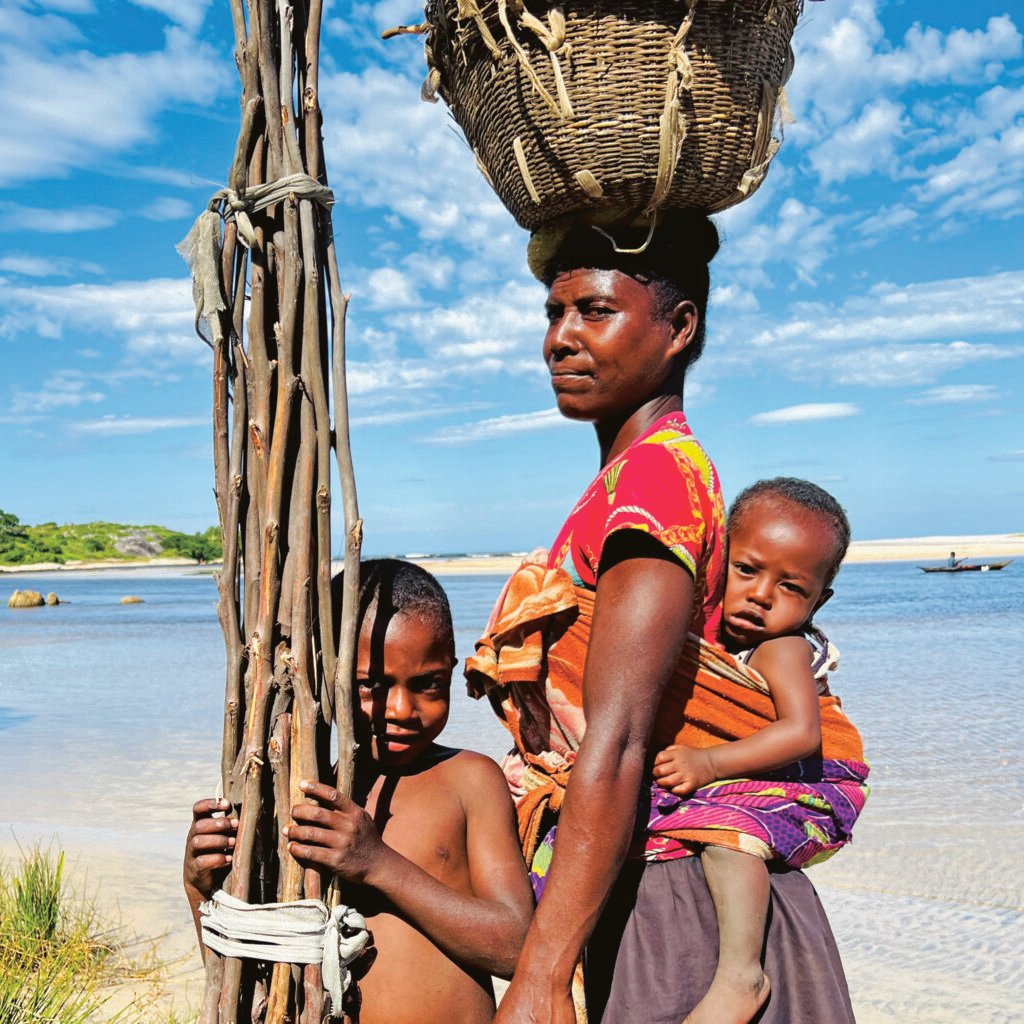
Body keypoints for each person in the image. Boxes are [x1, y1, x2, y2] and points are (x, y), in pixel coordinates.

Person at [466, 212, 858, 1024]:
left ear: (679, 327)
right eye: (554, 313)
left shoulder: (656, 484)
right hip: (652, 877)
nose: (561, 339)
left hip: (678, 903)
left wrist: (541, 976)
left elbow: (619, 740)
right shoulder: (628, 481)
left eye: (595, 311)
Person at [184, 559, 534, 1024]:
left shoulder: (470, 780)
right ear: (325, 676)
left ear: (451, 669)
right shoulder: (296, 797)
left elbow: (516, 946)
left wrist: (378, 864)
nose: (403, 710)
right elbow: (235, 964)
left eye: (429, 684)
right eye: (371, 685)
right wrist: (198, 885)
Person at [651, 477, 870, 1024]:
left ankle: (740, 976)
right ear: (717, 561)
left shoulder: (783, 647)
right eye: (746, 570)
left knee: (729, 834)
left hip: (811, 783)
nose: (762, 594)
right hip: (767, 771)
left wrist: (707, 763)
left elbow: (802, 734)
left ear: (820, 600)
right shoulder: (726, 644)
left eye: (792, 587)